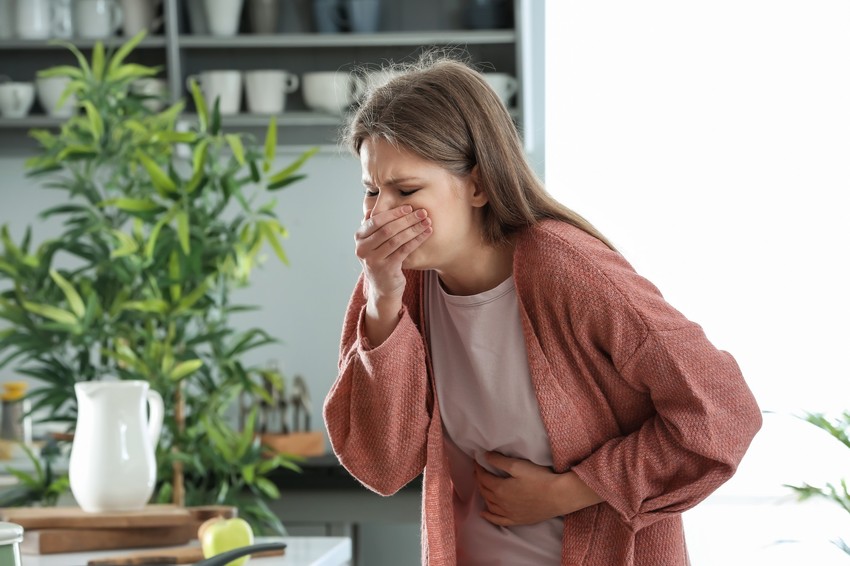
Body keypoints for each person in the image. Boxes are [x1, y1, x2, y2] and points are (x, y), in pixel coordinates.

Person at [323, 52, 762, 566]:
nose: (379, 215)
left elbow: (723, 411)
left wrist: (571, 490)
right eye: (371, 191)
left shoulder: (566, 268)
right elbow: (382, 465)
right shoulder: (399, 287)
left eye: (406, 190)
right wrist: (382, 302)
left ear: (479, 185)